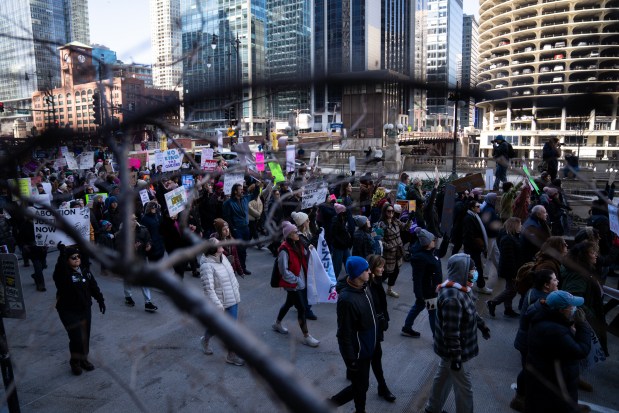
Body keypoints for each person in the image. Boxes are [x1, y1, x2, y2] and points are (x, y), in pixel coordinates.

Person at [425, 253, 491, 413]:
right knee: (464, 387)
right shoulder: (453, 297)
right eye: (472, 269)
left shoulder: (461, 289)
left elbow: (470, 312)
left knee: (443, 377)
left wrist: (482, 325)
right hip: (455, 351)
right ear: (462, 271)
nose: (475, 272)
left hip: (451, 351)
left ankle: (432, 408)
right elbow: (451, 332)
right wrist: (456, 357)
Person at [524, 290, 591, 413]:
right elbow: (581, 350)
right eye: (571, 306)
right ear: (561, 310)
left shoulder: (542, 318)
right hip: (555, 390)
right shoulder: (556, 331)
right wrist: (583, 325)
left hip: (544, 384)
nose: (575, 309)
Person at [330, 256, 377, 412]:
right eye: (366, 269)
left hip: (369, 344)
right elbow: (343, 334)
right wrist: (351, 360)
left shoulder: (364, 286)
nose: (370, 271)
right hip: (359, 352)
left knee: (360, 385)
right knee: (361, 386)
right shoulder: (347, 300)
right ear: (357, 273)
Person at [510, 269, 559, 411]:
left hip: (525, 339)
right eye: (554, 280)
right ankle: (520, 397)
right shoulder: (542, 300)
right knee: (528, 370)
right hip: (528, 342)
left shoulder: (536, 292)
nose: (557, 281)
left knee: (528, 369)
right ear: (546, 285)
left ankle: (522, 396)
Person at [52, 245, 105, 376]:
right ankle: (74, 361)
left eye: (78, 256)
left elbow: (93, 286)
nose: (77, 259)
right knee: (76, 338)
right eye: (73, 257)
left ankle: (83, 359)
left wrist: (100, 299)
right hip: (68, 310)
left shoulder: (85, 271)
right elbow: (59, 270)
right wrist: (61, 256)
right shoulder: (63, 274)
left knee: (85, 336)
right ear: (67, 260)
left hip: (85, 309)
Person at [272, 221, 320, 348]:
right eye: (295, 232)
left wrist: (309, 250)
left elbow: (304, 257)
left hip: (300, 282)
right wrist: (297, 280)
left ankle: (277, 324)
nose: (298, 234)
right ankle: (306, 336)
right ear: (288, 235)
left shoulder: (298, 244)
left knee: (288, 303)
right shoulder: (284, 250)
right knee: (302, 308)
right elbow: (283, 271)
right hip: (293, 284)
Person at [199, 238, 244, 366]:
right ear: (213, 250)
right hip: (221, 304)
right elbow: (208, 289)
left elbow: (231, 275)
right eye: (220, 246)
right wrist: (218, 305)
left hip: (232, 299)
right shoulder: (206, 266)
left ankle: (205, 340)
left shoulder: (222, 257)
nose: (223, 247)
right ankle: (231, 355)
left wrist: (236, 287)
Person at [560, 241, 608, 357]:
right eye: (592, 252)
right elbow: (573, 298)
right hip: (582, 320)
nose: (596, 255)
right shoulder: (579, 273)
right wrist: (591, 315)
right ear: (584, 255)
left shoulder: (581, 269)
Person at [402, 227, 442, 338]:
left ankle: (407, 327)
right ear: (428, 243)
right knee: (432, 312)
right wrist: (419, 295)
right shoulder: (421, 258)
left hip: (430, 289)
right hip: (428, 291)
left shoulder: (429, 252)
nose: (435, 241)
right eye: (433, 240)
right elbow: (417, 278)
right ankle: (436, 337)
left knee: (418, 307)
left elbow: (440, 255)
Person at [366, 255, 396, 402]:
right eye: (380, 266)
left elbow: (382, 303)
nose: (383, 269)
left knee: (374, 355)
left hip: (377, 323)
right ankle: (382, 387)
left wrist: (385, 318)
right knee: (376, 356)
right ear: (371, 268)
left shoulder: (377, 281)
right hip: (368, 327)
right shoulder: (366, 285)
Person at [118, 215, 158, 312]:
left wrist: (148, 245)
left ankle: (148, 303)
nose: (134, 221)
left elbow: (149, 239)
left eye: (135, 219)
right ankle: (128, 297)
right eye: (132, 219)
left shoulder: (143, 230)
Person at [486, 217, 522, 318]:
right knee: (512, 290)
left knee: (509, 288)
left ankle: (508, 309)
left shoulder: (511, 236)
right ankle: (493, 302)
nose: (521, 227)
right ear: (514, 226)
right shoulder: (507, 239)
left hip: (509, 268)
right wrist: (514, 273)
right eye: (519, 225)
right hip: (509, 269)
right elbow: (509, 259)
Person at [222, 182, 259, 275]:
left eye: (242, 189)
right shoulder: (228, 203)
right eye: (240, 189)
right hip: (237, 229)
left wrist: (257, 186)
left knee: (243, 249)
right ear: (235, 191)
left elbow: (255, 194)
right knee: (239, 250)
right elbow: (227, 217)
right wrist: (232, 229)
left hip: (246, 228)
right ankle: (240, 268)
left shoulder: (245, 198)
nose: (242, 190)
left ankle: (240, 267)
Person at [376, 203, 407, 298]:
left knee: (395, 271)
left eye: (392, 211)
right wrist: (389, 246)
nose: (391, 213)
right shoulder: (381, 224)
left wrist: (409, 220)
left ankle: (389, 290)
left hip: (398, 251)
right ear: (384, 212)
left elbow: (405, 227)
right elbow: (378, 239)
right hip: (389, 253)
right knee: (385, 272)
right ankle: (374, 287)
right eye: (389, 211)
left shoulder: (395, 221)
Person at [462, 199, 492, 294]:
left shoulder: (474, 216)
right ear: (472, 208)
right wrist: (477, 245)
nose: (479, 208)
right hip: (472, 248)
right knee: (476, 267)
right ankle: (480, 286)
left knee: (473, 267)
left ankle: (472, 285)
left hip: (474, 248)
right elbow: (469, 235)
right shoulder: (469, 218)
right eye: (477, 206)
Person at [331, 203, 352, 278]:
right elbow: (334, 235)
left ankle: (351, 279)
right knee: (337, 266)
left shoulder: (344, 219)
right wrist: (342, 242)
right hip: (338, 247)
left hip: (345, 246)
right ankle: (333, 282)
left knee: (349, 263)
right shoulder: (335, 221)